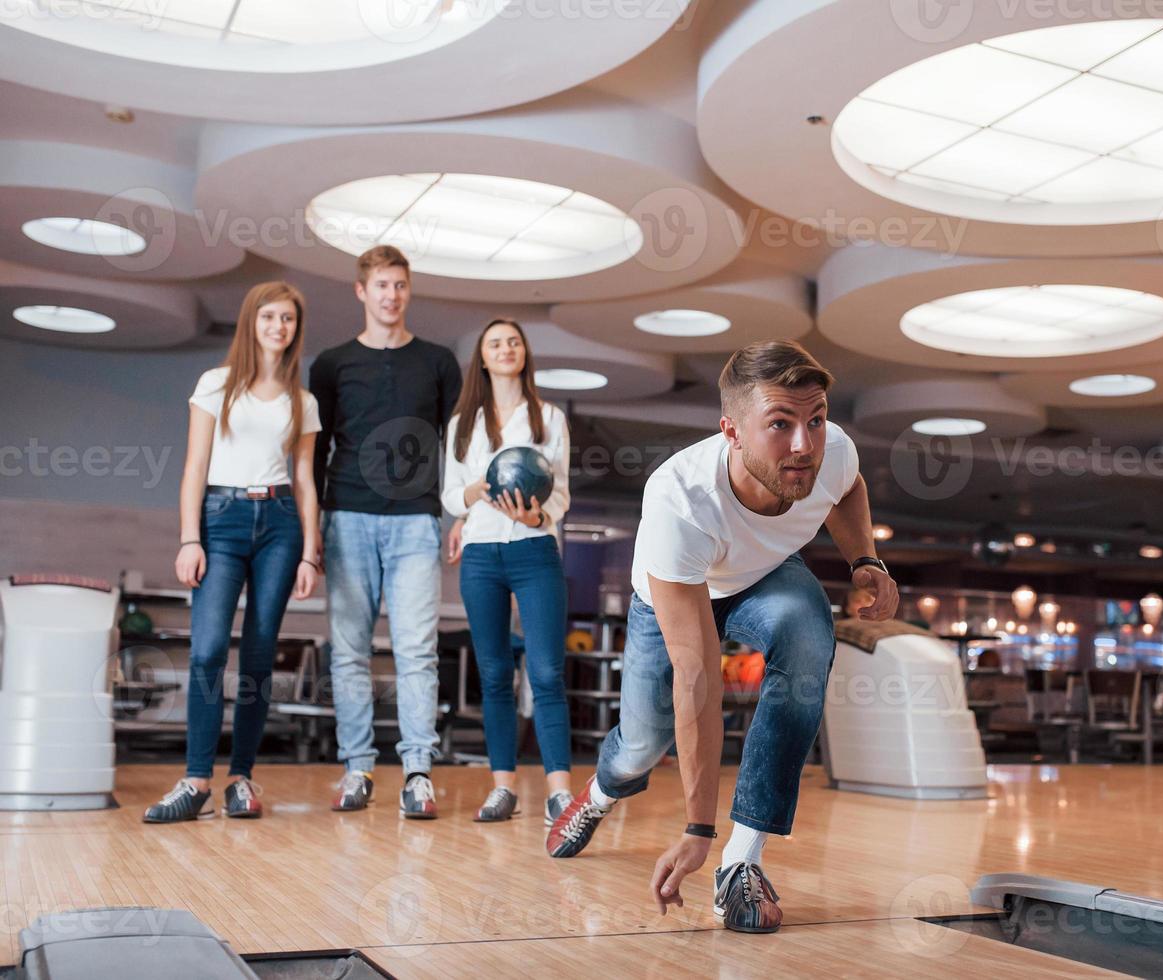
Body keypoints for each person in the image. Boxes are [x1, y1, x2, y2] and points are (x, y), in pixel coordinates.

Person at [545, 341, 900, 934]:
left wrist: (866, 558)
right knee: (643, 745)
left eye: (815, 420)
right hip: (676, 589)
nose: (804, 445)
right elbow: (699, 681)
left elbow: (849, 487)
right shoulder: (680, 503)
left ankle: (743, 861)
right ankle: (600, 794)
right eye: (780, 425)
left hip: (764, 576)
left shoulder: (830, 450)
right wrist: (695, 827)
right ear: (730, 431)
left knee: (809, 633)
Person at [145, 281, 321, 823]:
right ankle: (196, 780)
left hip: (281, 525)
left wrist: (312, 552)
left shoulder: (303, 400)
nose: (278, 327)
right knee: (208, 650)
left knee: (261, 654)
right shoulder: (216, 384)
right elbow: (195, 466)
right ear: (252, 322)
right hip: (220, 521)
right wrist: (188, 537)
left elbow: (305, 478)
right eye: (269, 316)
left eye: (288, 319)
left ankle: (240, 778)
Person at [309, 245, 462, 819]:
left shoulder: (439, 362)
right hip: (345, 516)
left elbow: (458, 446)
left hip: (416, 522)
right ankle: (357, 769)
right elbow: (315, 450)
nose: (391, 295)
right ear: (361, 291)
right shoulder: (331, 364)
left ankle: (418, 773)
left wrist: (457, 514)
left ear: (408, 290)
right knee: (348, 653)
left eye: (399, 285)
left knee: (416, 653)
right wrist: (313, 529)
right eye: (381, 285)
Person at [441, 318, 574, 826]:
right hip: (480, 552)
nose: (505, 349)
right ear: (482, 356)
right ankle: (503, 788)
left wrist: (536, 516)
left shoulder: (550, 418)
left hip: (535, 548)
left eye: (513, 342)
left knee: (545, 673)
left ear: (523, 354)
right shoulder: (461, 425)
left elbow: (559, 492)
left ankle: (559, 791)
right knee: (495, 673)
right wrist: (478, 489)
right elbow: (450, 495)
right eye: (494, 342)